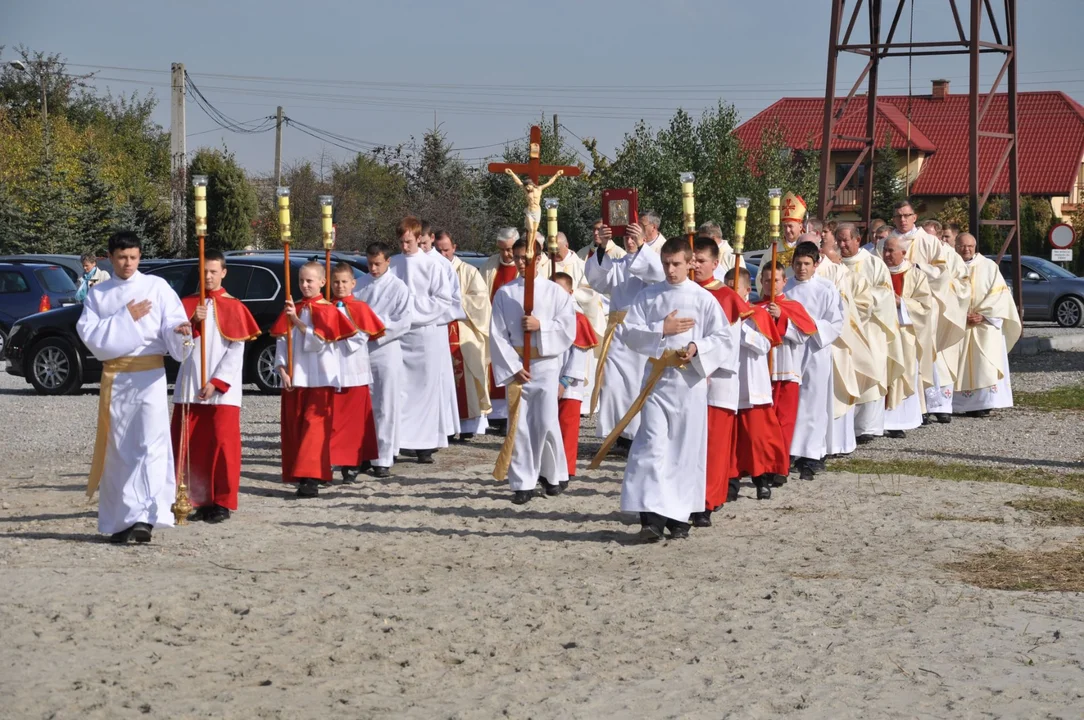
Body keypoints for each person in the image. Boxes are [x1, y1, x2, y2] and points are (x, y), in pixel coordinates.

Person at [605, 238, 733, 542]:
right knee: (652, 445)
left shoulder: (703, 299)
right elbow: (629, 333)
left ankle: (679, 516)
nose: (670, 270)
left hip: (689, 384)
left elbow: (724, 338)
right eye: (666, 264)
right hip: (657, 381)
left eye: (676, 264)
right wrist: (661, 330)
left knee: (684, 451)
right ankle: (650, 517)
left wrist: (696, 346)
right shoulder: (649, 296)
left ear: (689, 263)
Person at [77, 231, 191, 543]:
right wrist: (126, 318)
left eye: (133, 257)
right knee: (119, 448)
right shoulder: (99, 295)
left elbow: (172, 322)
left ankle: (145, 517)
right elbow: (92, 337)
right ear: (110, 257)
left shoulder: (157, 287)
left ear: (140, 256)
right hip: (117, 378)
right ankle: (120, 521)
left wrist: (180, 331)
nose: (128, 263)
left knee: (150, 445)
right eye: (122, 258)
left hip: (150, 376)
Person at [171, 249, 260, 523]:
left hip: (223, 392)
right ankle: (193, 498)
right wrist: (192, 323)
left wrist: (217, 382)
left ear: (223, 272)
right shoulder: (184, 306)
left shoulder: (235, 307)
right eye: (203, 271)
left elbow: (236, 351)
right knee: (190, 445)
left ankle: (221, 501)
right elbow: (176, 350)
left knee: (223, 445)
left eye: (213, 271)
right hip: (189, 386)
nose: (208, 276)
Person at [490, 240, 577, 503]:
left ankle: (553, 475)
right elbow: (497, 334)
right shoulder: (505, 293)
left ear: (538, 259)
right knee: (520, 425)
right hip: (518, 364)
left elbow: (568, 328)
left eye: (525, 258)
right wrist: (514, 367)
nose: (520, 263)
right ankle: (522, 483)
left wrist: (542, 325)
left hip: (546, 363)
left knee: (547, 421)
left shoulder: (555, 292)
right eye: (516, 257)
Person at [273, 262, 357, 497]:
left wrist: (297, 322)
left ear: (322, 282)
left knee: (314, 429)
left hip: (319, 377)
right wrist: (282, 369)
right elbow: (281, 340)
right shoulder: (293, 307)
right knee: (296, 428)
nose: (304, 285)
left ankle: (310, 478)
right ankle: (302, 472)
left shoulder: (328, 310)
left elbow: (318, 343)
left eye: (309, 281)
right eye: (301, 280)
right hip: (295, 377)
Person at [583, 212, 665, 449]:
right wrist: (602, 247)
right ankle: (617, 431)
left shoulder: (657, 258)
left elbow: (657, 276)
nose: (629, 242)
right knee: (614, 385)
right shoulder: (619, 263)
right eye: (627, 237)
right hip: (618, 334)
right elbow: (599, 280)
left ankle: (637, 433)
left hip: (641, 332)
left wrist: (641, 248)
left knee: (636, 383)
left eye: (634, 237)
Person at [389, 216, 460, 463]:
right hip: (400, 335)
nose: (404, 247)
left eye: (408, 241)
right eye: (401, 242)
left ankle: (425, 445)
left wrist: (411, 308)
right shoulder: (393, 264)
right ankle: (400, 441)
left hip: (426, 333)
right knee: (402, 390)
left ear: (419, 238)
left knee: (426, 390)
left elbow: (443, 299)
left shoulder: (434, 266)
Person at [690, 238, 743, 523]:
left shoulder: (726, 297)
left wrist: (704, 366)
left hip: (717, 379)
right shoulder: (684, 292)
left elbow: (728, 344)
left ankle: (707, 503)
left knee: (714, 445)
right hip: (686, 380)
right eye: (693, 259)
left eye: (701, 260)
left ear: (714, 263)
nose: (695, 265)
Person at [783, 241, 844, 481]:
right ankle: (789, 450)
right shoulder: (785, 288)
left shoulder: (826, 289)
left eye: (807, 264)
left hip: (816, 350)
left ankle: (811, 453)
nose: (802, 268)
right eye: (797, 263)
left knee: (814, 403)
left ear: (816, 264)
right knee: (791, 401)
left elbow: (836, 322)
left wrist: (811, 326)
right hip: (789, 351)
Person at [837, 222, 904, 443]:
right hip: (841, 332)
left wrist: (855, 301)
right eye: (839, 240)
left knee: (870, 372)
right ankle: (842, 428)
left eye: (846, 239)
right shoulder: (831, 265)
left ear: (858, 240)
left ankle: (866, 427)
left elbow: (885, 295)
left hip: (869, 330)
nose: (842, 244)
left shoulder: (874, 264)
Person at [354, 242, 414, 478]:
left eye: (378, 264)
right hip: (360, 349)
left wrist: (377, 330)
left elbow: (404, 322)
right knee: (363, 404)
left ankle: (384, 457)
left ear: (388, 261)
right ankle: (362, 453)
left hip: (386, 349)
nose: (373, 268)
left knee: (386, 404)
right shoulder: (359, 285)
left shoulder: (399, 288)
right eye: (369, 263)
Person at [817, 232, 879, 458]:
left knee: (839, 391)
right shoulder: (799, 276)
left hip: (840, 344)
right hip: (812, 345)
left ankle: (838, 443)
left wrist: (842, 326)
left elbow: (864, 305)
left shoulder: (845, 275)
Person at [727, 267, 787, 501]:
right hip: (728, 385)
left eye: (735, 287)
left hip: (753, 385)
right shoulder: (719, 311)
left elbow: (765, 346)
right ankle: (731, 484)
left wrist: (741, 328)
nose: (731, 291)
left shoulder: (757, 314)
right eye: (727, 286)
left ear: (746, 289)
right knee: (731, 441)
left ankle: (762, 480)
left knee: (756, 439)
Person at [756, 261, 816, 487]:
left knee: (784, 423)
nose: (772, 284)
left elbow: (803, 335)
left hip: (787, 371)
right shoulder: (756, 306)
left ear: (784, 282)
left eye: (776, 280)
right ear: (761, 282)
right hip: (762, 374)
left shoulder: (793, 306)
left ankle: (780, 468)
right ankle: (762, 468)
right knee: (763, 424)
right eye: (767, 280)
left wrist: (782, 316)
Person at [953, 232, 1021, 416]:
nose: (966, 249)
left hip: (985, 325)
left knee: (985, 365)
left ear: (975, 247)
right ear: (955, 246)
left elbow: (999, 296)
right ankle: (957, 405)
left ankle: (983, 404)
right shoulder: (950, 266)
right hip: (959, 326)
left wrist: (983, 315)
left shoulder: (989, 266)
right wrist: (959, 314)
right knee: (957, 365)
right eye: (961, 246)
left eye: (970, 246)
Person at [328, 263, 384, 483]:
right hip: (331, 371)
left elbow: (364, 334)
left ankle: (353, 461)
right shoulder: (326, 306)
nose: (340, 286)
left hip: (354, 368)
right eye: (336, 282)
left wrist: (342, 336)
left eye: (344, 282)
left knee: (354, 421)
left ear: (353, 283)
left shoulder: (360, 307)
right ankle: (332, 459)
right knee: (332, 419)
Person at [435, 231, 491, 440]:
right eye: (438, 250)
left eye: (446, 250)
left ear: (454, 248)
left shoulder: (467, 271)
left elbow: (480, 300)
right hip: (439, 331)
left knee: (466, 377)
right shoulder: (431, 269)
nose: (443, 254)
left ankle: (467, 426)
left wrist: (453, 303)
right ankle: (446, 427)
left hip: (464, 330)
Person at [882, 236, 935, 438]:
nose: (886, 255)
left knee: (903, 373)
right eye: (885, 250)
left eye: (891, 251)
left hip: (904, 335)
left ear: (903, 253)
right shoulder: (878, 272)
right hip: (882, 333)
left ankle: (898, 422)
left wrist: (901, 303)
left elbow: (925, 307)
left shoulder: (915, 275)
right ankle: (876, 421)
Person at [418, 224, 466, 444]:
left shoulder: (441, 265)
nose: (420, 247)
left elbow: (453, 300)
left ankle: (442, 427)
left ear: (431, 239)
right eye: (417, 243)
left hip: (435, 328)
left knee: (438, 380)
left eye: (424, 243)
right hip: (411, 332)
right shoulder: (404, 262)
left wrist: (428, 313)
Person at [552, 231, 606, 417]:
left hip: (577, 320)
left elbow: (592, 293)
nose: (553, 253)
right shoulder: (546, 264)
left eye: (556, 249)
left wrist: (570, 298)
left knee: (577, 363)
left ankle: (581, 404)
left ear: (566, 245)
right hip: (552, 325)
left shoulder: (580, 265)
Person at [553, 272, 598, 485]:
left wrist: (564, 382)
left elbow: (578, 356)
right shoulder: (544, 315)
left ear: (570, 293)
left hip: (568, 385)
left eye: (560, 291)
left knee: (567, 430)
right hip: (547, 381)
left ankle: (566, 470)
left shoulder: (577, 318)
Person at [482, 227, 524, 433]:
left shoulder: (526, 263)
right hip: (495, 323)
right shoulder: (491, 264)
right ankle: (496, 414)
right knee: (494, 363)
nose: (506, 255)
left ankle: (512, 413)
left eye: (509, 250)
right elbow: (481, 295)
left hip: (517, 326)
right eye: (502, 250)